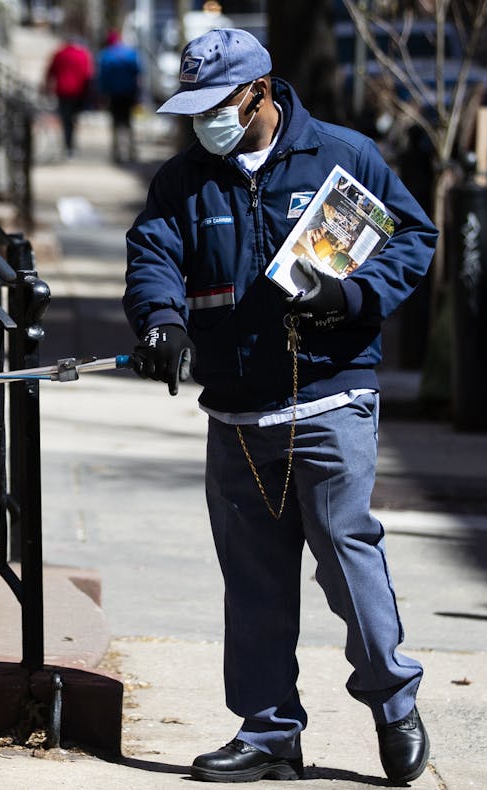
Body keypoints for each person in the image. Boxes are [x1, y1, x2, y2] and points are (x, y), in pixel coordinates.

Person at [123, 28, 436, 784]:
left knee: (347, 561)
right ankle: (269, 732)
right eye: (191, 108)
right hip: (236, 414)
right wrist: (159, 321)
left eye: (215, 104)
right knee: (255, 584)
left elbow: (412, 239)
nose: (202, 122)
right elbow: (153, 255)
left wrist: (352, 293)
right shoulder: (184, 180)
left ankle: (394, 703)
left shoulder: (343, 156)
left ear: (259, 92)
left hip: (329, 402)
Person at [45, 35, 94, 158]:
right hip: (78, 91)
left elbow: (50, 71)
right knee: (73, 118)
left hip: (63, 91)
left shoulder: (59, 54)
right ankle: (71, 145)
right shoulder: (83, 54)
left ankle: (68, 146)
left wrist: (47, 87)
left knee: (66, 119)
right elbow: (88, 74)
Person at [97, 29, 142, 163]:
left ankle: (116, 151)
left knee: (115, 123)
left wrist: (102, 94)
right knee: (129, 122)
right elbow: (138, 73)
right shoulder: (130, 53)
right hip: (129, 93)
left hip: (113, 94)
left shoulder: (105, 55)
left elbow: (102, 77)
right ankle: (131, 150)